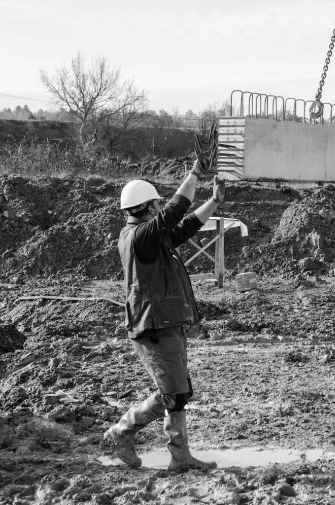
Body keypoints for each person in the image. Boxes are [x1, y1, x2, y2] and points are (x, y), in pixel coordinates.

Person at [103, 160, 225, 470]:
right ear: (145, 207)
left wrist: (213, 202)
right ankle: (129, 435)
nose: (161, 205)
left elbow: (185, 226)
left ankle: (159, 448)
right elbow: (175, 212)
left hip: (164, 323)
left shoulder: (151, 237)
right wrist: (195, 173)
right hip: (154, 326)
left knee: (177, 392)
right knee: (176, 392)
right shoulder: (140, 236)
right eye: (157, 202)